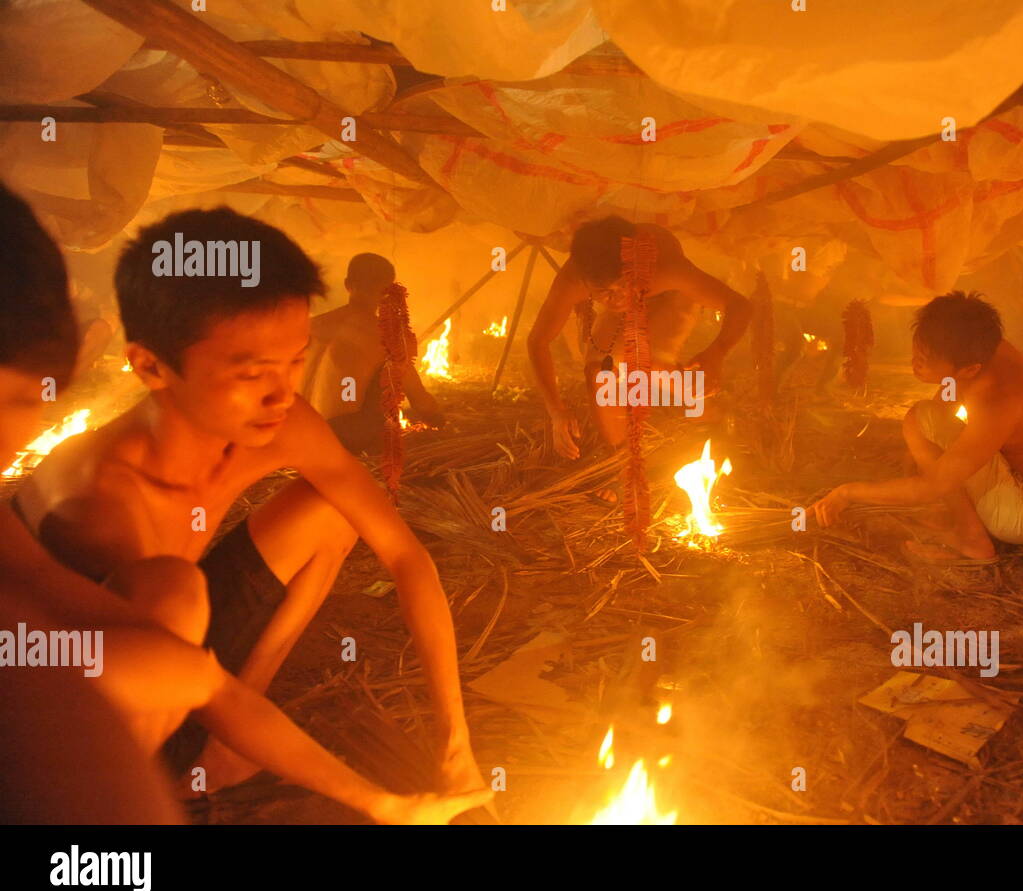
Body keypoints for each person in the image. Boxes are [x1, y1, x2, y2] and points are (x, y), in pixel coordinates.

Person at [0, 185, 486, 823]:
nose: (282, 396)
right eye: (252, 373)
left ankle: (220, 747)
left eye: (295, 363)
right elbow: (74, 664)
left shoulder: (284, 425)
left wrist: (450, 750)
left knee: (326, 509)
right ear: (150, 367)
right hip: (76, 716)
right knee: (172, 594)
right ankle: (159, 786)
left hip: (117, 655)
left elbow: (403, 556)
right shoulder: (101, 503)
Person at [810, 291, 1023, 562]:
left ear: (969, 369)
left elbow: (932, 487)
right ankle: (969, 524)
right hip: (1013, 481)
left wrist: (847, 492)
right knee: (925, 421)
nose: (915, 363)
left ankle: (972, 540)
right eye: (918, 350)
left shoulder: (1000, 397)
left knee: (917, 420)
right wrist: (921, 451)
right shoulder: (978, 346)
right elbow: (945, 405)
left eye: (926, 359)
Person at [527, 215, 752, 462]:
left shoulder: (667, 270)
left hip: (669, 297)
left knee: (649, 360)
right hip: (625, 293)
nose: (617, 298)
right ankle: (620, 462)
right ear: (586, 281)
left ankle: (711, 414)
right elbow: (538, 342)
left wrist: (718, 351)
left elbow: (738, 305)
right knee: (599, 368)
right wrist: (556, 412)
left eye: (624, 284)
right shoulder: (573, 280)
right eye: (604, 292)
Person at [302, 252, 442, 454]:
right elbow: (420, 401)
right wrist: (438, 419)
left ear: (348, 284)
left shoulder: (311, 326)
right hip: (341, 437)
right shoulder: (385, 336)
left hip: (297, 429)